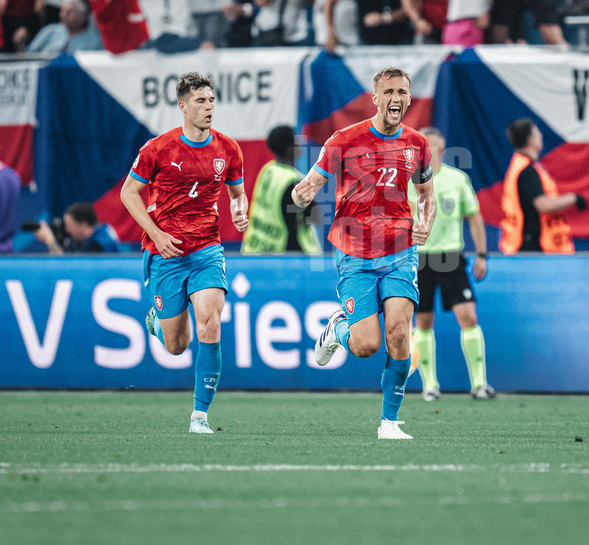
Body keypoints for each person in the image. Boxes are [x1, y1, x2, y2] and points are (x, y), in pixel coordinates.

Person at [293, 67, 436, 441]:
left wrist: (426, 222)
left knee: (399, 333)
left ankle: (389, 422)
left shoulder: (417, 144)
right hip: (354, 253)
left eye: (402, 92)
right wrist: (300, 193)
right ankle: (338, 328)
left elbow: (427, 196)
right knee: (366, 346)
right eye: (388, 91)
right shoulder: (345, 139)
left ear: (409, 97)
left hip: (400, 250)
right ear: (375, 98)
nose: (395, 98)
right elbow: (310, 182)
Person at [120, 71, 249, 434]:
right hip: (166, 252)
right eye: (200, 101)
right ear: (182, 106)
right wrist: (156, 235)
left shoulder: (228, 149)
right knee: (177, 345)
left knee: (210, 321)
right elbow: (128, 194)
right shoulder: (157, 149)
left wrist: (240, 210)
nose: (209, 107)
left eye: (211, 100)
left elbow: (238, 194)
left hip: (207, 248)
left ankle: (200, 416)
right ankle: (156, 322)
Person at [407, 127, 494, 402]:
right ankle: (429, 385)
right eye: (426, 146)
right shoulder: (408, 182)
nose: (432, 152)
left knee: (468, 317)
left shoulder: (457, 180)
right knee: (423, 322)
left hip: (451, 258)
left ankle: (479, 384)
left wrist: (482, 254)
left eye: (436, 147)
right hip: (419, 259)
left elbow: (474, 216)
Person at [500, 118, 586, 254]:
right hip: (532, 245)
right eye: (537, 133)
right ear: (530, 141)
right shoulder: (526, 170)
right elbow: (543, 205)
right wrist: (573, 198)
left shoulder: (521, 165)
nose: (541, 136)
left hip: (526, 242)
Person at [241, 125, 322, 255]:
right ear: (290, 148)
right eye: (296, 140)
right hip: (288, 253)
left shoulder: (267, 170)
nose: (299, 143)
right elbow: (315, 217)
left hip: (257, 247)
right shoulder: (294, 182)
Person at [26, 0, 104, 52]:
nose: (63, 15)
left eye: (69, 12)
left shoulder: (95, 39)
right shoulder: (50, 31)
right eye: (62, 11)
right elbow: (27, 58)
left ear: (83, 16)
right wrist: (21, 44)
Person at [33, 202, 120, 254]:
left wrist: (50, 240)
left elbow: (65, 270)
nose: (66, 230)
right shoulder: (83, 241)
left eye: (69, 225)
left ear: (83, 225)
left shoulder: (96, 245)